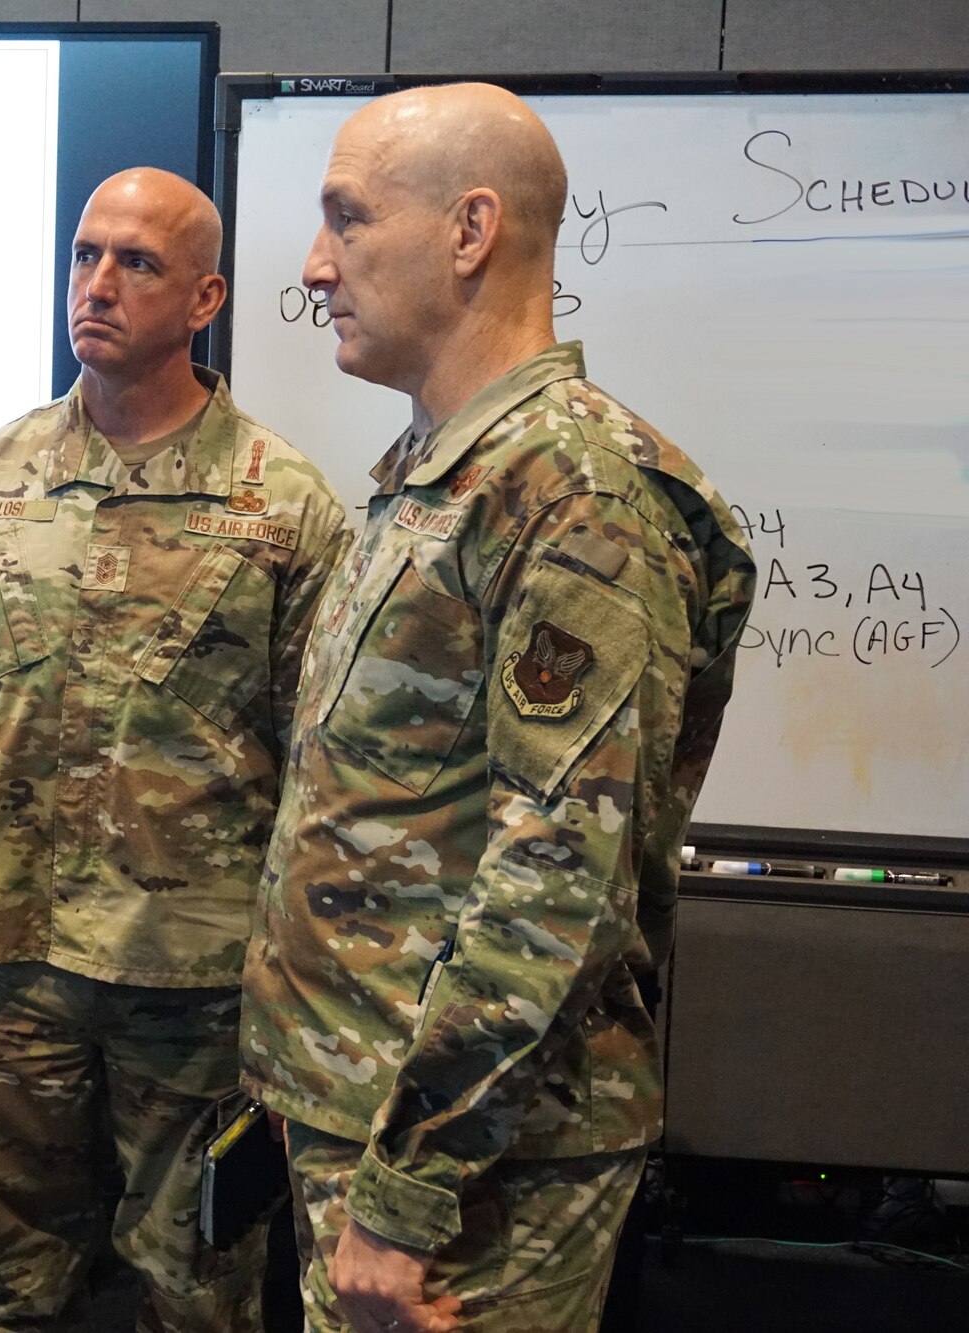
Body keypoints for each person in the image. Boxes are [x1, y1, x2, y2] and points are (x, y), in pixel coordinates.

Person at [239, 84, 757, 1333]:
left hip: (475, 1172)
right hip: (366, 1118)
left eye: (345, 221)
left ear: (470, 231)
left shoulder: (573, 495)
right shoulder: (441, 473)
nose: (314, 267)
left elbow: (554, 881)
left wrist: (409, 1190)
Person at [0, 167, 350, 1330]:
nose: (96, 284)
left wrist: (298, 990)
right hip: (11, 962)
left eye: (134, 263)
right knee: (4, 1284)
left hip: (194, 984)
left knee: (197, 1292)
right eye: (85, 255)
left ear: (203, 300)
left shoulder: (284, 506)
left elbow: (325, 774)